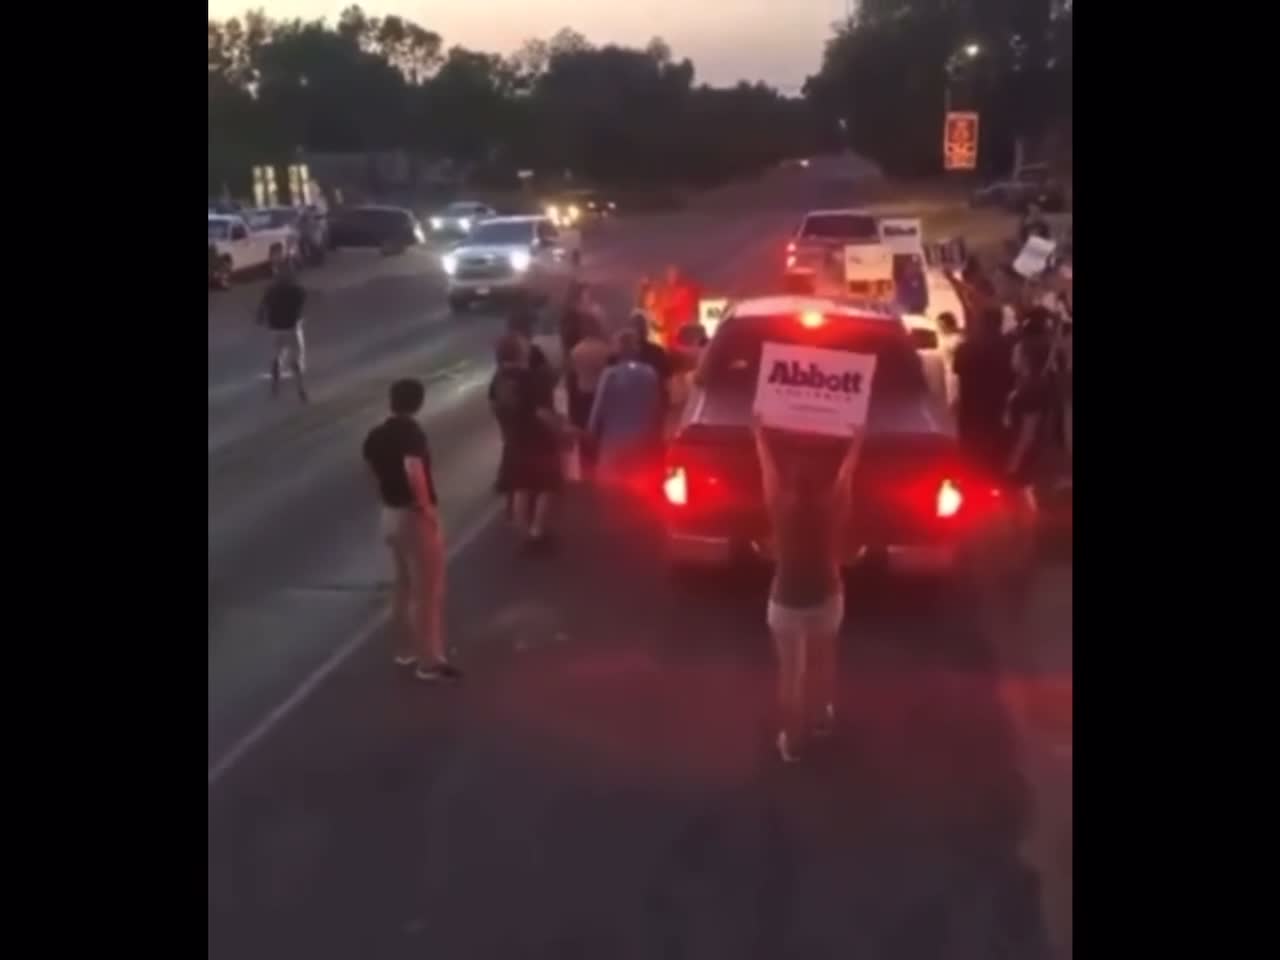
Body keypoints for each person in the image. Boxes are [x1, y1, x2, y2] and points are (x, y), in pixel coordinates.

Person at [753, 418, 866, 764]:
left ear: (792, 483)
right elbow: (848, 473)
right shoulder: (832, 506)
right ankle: (820, 717)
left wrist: (759, 433)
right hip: (826, 594)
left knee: (791, 673)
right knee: (823, 658)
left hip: (786, 599)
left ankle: (792, 741)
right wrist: (855, 441)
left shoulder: (779, 508)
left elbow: (767, 468)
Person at [361, 379, 460, 681]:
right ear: (418, 403)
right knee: (428, 590)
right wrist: (426, 507)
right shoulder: (411, 433)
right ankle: (429, 661)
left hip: (389, 513)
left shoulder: (376, 434)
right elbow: (413, 468)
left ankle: (404, 649)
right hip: (412, 515)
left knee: (403, 585)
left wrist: (386, 495)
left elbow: (369, 469)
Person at [490, 333, 564, 547]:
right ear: (519, 351)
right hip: (538, 439)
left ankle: (522, 531)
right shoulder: (529, 378)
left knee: (522, 484)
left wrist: (506, 430)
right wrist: (560, 429)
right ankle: (537, 531)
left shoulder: (499, 378)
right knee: (547, 485)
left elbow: (494, 406)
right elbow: (541, 412)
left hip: (514, 438)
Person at [588, 329, 664, 492]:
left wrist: (591, 431)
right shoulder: (650, 373)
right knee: (641, 486)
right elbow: (656, 407)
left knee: (612, 487)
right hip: (642, 440)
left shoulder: (610, 375)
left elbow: (598, 407)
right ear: (636, 348)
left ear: (617, 349)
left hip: (613, 441)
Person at [953, 307, 1014, 478]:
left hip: (970, 405)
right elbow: (1014, 375)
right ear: (999, 323)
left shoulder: (966, 346)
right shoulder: (1008, 348)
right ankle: (991, 478)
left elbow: (957, 370)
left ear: (980, 323)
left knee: (969, 448)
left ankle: (969, 478)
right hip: (996, 405)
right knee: (992, 446)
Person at [256, 262, 309, 402]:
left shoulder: (271, 290)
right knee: (296, 359)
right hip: (292, 328)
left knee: (276, 356)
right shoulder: (298, 290)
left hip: (275, 328)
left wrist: (261, 318)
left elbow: (262, 308)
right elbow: (301, 304)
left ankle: (275, 385)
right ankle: (301, 389)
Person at [566, 314, 611, 478]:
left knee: (584, 434)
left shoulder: (576, 350)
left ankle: (587, 470)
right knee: (601, 434)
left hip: (582, 396)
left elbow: (572, 376)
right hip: (601, 395)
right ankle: (602, 468)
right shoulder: (606, 349)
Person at [654, 264, 699, 349]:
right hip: (666, 333)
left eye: (674, 274)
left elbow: (688, 311)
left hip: (678, 332)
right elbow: (660, 310)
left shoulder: (682, 291)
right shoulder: (662, 291)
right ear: (666, 275)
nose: (672, 276)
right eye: (670, 274)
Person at [936, 312, 963, 410]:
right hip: (944, 372)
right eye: (938, 325)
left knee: (954, 400)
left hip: (954, 374)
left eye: (942, 325)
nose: (940, 328)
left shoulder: (957, 339)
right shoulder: (941, 338)